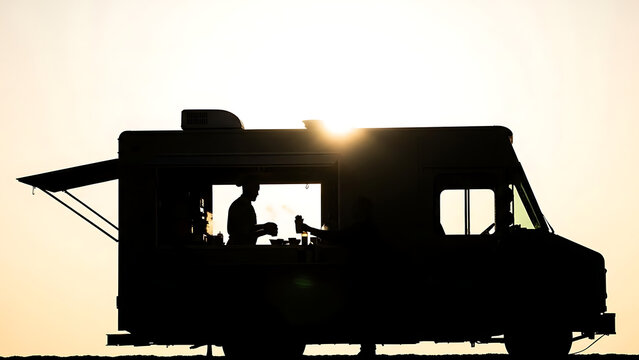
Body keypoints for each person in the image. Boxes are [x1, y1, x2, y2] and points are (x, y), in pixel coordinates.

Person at [226, 180, 277, 246]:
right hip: (237, 250)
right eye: (256, 190)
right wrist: (265, 229)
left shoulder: (243, 205)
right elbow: (243, 233)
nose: (257, 193)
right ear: (249, 189)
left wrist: (265, 228)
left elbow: (248, 229)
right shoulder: (240, 205)